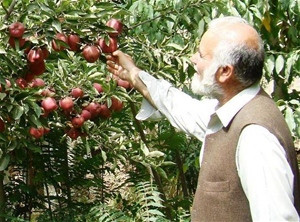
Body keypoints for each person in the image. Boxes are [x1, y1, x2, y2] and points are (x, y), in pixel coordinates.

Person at [106, 16, 300, 221]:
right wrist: (134, 74)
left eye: (201, 55)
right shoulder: (232, 110)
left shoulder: (255, 136)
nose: (193, 59)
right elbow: (181, 107)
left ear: (225, 72)